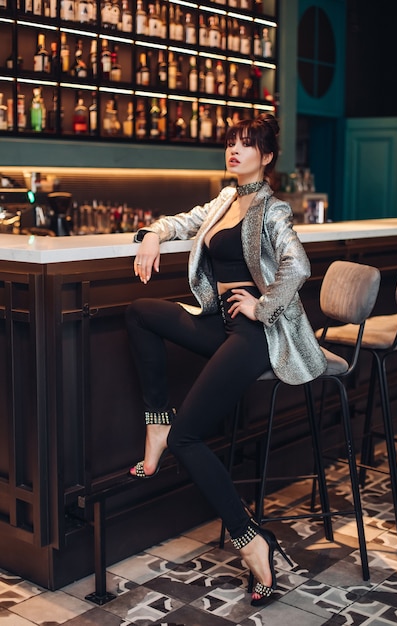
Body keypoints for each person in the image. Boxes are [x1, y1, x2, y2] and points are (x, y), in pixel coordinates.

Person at [125, 113, 327, 606]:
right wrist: (153, 232)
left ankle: (252, 542)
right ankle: (156, 423)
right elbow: (183, 222)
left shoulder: (272, 209)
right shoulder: (224, 200)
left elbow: (297, 263)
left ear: (268, 155)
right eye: (230, 142)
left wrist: (264, 305)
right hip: (222, 324)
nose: (234, 150)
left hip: (257, 333)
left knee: (189, 437)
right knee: (140, 312)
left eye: (246, 144)